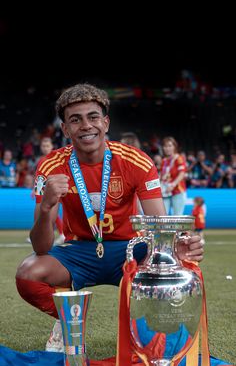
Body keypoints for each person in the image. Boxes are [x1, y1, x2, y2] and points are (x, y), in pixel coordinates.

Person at [15, 83, 204, 352]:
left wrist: (180, 246)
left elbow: (158, 225)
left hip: (130, 248)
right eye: (75, 119)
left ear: (105, 122)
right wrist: (46, 207)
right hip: (78, 249)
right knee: (29, 273)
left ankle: (148, 328)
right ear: (65, 129)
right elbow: (41, 247)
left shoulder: (136, 161)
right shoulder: (49, 166)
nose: (85, 126)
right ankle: (69, 317)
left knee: (178, 265)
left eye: (93, 117)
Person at [26, 137, 65, 245]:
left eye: (47, 145)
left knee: (48, 211)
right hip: (42, 189)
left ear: (52, 146)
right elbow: (39, 176)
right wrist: (35, 189)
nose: (45, 148)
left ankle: (45, 235)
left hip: (53, 190)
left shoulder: (56, 159)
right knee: (46, 211)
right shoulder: (41, 160)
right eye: (43, 146)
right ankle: (57, 234)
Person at [160, 136, 187, 215]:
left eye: (170, 146)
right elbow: (162, 176)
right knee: (162, 216)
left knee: (177, 217)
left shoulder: (179, 158)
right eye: (165, 146)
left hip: (177, 191)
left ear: (174, 147)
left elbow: (182, 173)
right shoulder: (164, 161)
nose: (167, 148)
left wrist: (173, 185)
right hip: (165, 192)